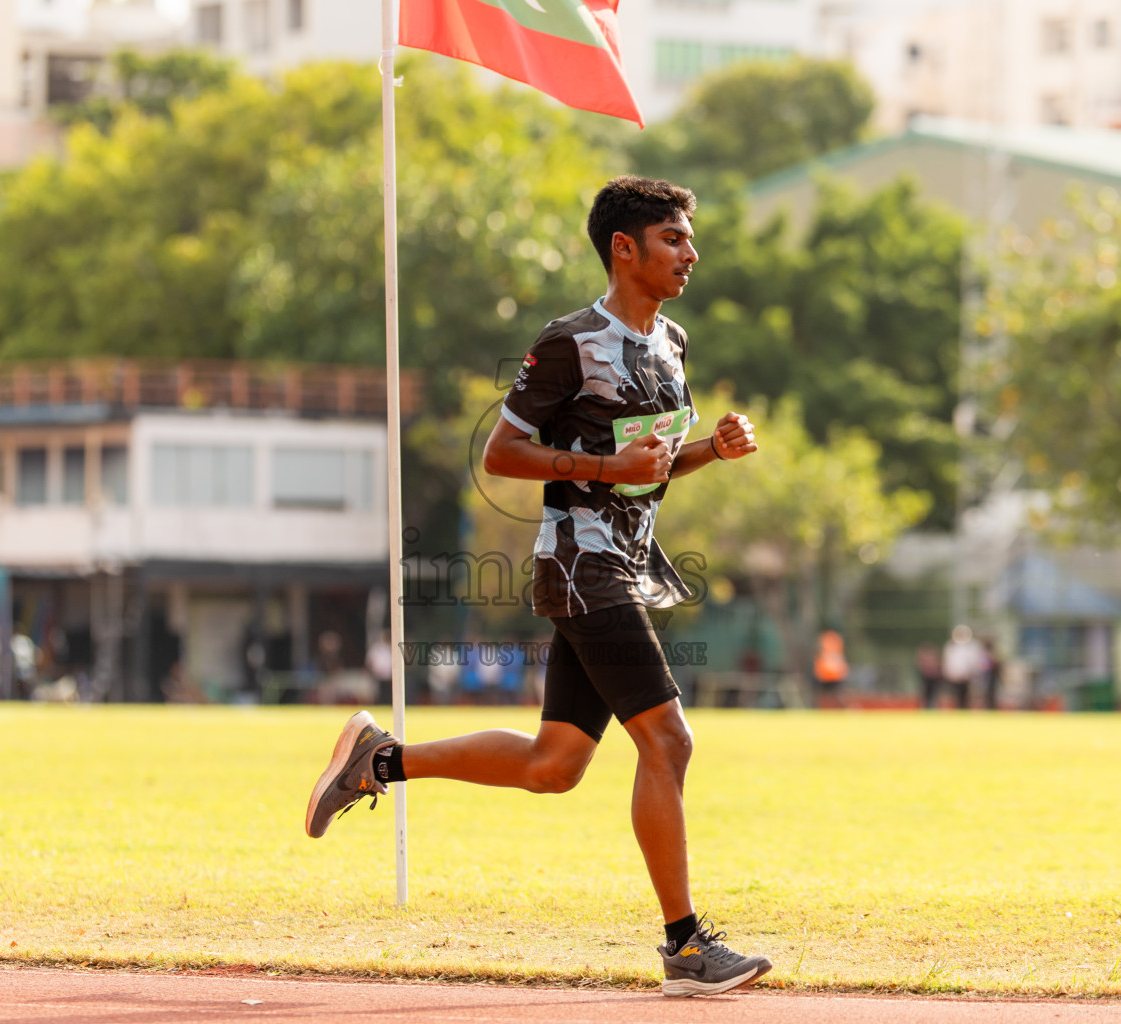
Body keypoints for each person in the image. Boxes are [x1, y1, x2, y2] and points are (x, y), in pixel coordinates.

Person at [305, 176, 771, 998]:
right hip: (581, 564)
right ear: (624, 248)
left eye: (690, 239)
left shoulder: (673, 343)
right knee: (670, 742)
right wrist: (603, 467)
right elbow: (503, 454)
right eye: (674, 238)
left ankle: (380, 760)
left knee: (555, 765)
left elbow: (649, 467)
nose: (691, 253)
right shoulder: (570, 342)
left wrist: (712, 451)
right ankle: (686, 949)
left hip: (625, 563)